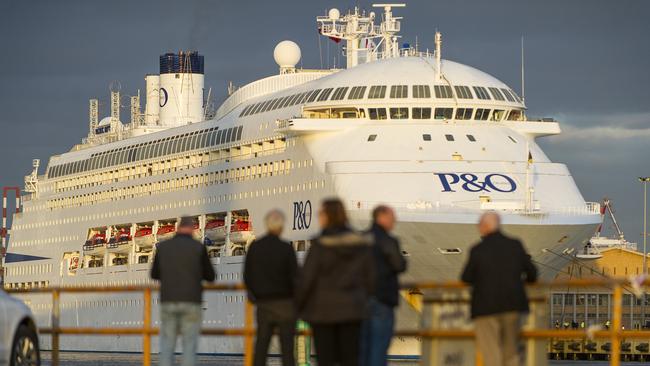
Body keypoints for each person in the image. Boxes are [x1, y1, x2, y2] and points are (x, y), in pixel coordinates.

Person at [296, 199, 375, 366]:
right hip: (353, 311)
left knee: (326, 360)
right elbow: (371, 277)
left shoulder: (320, 245)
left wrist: (300, 308)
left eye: (320, 214)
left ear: (327, 216)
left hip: (324, 313)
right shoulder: (360, 243)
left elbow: (306, 279)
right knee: (351, 360)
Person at [461, 211, 537, 366]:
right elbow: (532, 273)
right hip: (513, 306)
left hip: (485, 308)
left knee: (491, 354)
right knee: (512, 352)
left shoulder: (478, 250)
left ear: (484, 227)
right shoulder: (515, 245)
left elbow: (466, 278)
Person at [151, 216, 216, 366]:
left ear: (178, 228)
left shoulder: (164, 247)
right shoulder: (198, 247)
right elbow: (210, 276)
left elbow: (154, 274)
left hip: (168, 300)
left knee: (167, 345)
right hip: (191, 301)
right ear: (192, 229)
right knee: (189, 345)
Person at [244, 210, 298, 366]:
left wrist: (254, 297)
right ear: (281, 227)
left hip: (264, 304)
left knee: (261, 346)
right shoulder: (286, 248)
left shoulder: (255, 247)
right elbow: (295, 277)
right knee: (287, 349)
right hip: (285, 305)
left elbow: (247, 275)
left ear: (267, 225)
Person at [360, 205, 407, 366]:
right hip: (382, 299)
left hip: (360, 300)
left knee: (363, 347)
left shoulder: (361, 238)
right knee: (379, 348)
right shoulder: (388, 240)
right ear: (381, 217)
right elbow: (399, 265)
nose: (395, 220)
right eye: (392, 217)